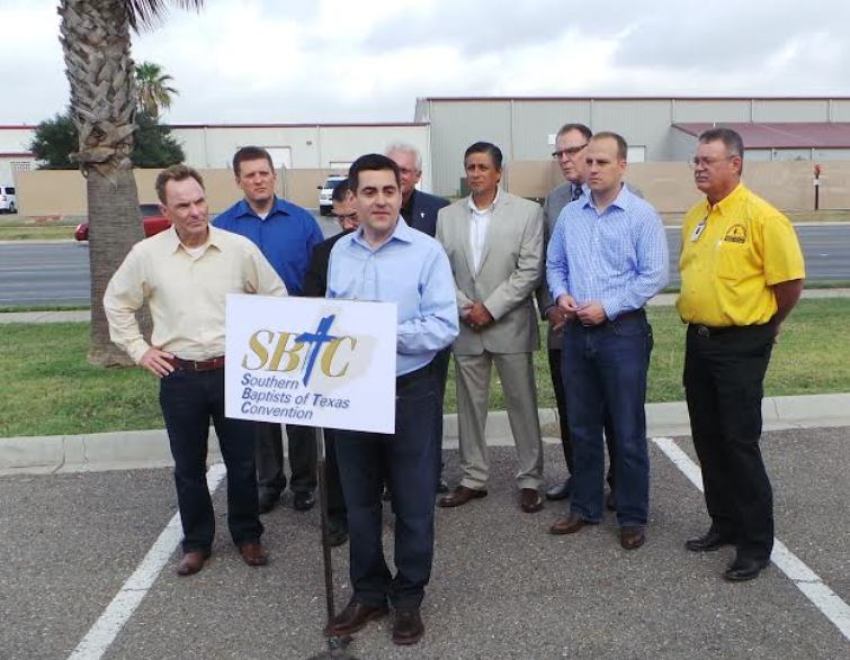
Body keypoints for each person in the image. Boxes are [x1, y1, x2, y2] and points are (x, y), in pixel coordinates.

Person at [104, 165, 286, 576]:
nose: (194, 212)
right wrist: (139, 350)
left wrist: (257, 349)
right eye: (182, 205)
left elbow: (276, 296)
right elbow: (116, 303)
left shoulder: (239, 249)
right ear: (166, 210)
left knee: (243, 463)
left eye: (199, 201)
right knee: (189, 466)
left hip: (232, 372)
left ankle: (247, 535)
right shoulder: (146, 255)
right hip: (179, 376)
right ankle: (197, 542)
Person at [324, 154, 458, 646]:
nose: (380, 200)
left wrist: (383, 332)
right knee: (359, 501)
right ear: (353, 199)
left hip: (409, 390)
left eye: (388, 190)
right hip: (352, 391)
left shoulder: (426, 252)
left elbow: (445, 325)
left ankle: (408, 597)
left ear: (401, 193)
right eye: (369, 191)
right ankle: (368, 590)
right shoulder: (341, 252)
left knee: (413, 500)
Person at [678, 127, 805, 581]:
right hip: (700, 340)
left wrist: (767, 326)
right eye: (696, 160)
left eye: (708, 160)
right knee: (707, 438)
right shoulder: (697, 215)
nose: (699, 167)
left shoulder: (763, 218)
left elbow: (789, 285)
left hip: (741, 345)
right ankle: (724, 523)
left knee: (739, 442)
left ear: (735, 164)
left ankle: (754, 544)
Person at [546, 132, 668, 550]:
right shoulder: (570, 215)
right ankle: (584, 506)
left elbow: (653, 275)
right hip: (577, 334)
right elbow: (555, 263)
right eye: (589, 162)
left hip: (622, 333)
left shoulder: (641, 215)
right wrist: (561, 294)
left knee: (627, 428)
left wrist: (610, 306)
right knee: (581, 427)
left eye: (602, 162)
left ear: (622, 165)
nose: (593, 169)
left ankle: (632, 515)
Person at [436, 141, 546, 514]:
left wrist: (492, 308)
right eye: (471, 167)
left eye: (483, 167)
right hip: (466, 325)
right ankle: (473, 478)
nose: (476, 174)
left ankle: (530, 479)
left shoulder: (528, 213)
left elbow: (530, 269)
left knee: (522, 404)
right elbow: (439, 271)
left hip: (510, 324)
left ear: (498, 172)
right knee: (470, 406)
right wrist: (466, 307)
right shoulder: (447, 216)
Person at [213, 146, 324, 514]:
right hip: (251, 331)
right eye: (250, 175)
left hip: (297, 327)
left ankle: (305, 483)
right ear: (238, 180)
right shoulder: (225, 225)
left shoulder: (301, 221)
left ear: (273, 176)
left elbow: (317, 271)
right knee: (262, 414)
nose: (258, 180)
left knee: (300, 412)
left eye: (264, 173)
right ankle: (269, 481)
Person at [538, 123, 618, 506]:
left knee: (615, 412)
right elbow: (546, 261)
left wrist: (607, 308)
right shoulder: (554, 201)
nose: (566, 159)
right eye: (560, 153)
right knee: (571, 410)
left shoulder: (628, 198)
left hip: (612, 326)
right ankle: (580, 477)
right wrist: (551, 306)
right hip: (563, 326)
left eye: (574, 151)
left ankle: (620, 481)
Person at [385, 142, 452, 493]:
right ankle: (387, 475)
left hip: (427, 328)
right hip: (384, 331)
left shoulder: (439, 211)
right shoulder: (373, 209)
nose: (399, 176)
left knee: (431, 403)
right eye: (393, 169)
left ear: (418, 175)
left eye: (406, 170)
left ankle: (431, 470)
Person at [301, 180, 359, 547]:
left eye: (353, 216)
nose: (348, 225)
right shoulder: (325, 253)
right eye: (340, 219)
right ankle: (337, 516)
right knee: (336, 449)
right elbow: (311, 303)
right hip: (337, 363)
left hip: (382, 362)